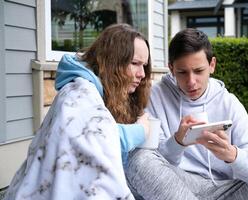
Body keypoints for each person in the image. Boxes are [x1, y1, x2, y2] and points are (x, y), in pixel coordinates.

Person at [126, 28, 248, 200]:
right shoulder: (154, 96)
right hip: (178, 185)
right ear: (171, 68)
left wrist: (232, 155)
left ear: (212, 65)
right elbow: (154, 164)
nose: (191, 82)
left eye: (199, 71)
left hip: (225, 189)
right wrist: (177, 142)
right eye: (182, 72)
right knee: (138, 158)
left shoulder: (228, 103)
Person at [4, 23, 152, 200]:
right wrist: (141, 130)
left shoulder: (96, 89)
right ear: (112, 61)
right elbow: (95, 137)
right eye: (135, 63)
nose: (142, 73)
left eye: (144, 65)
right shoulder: (79, 92)